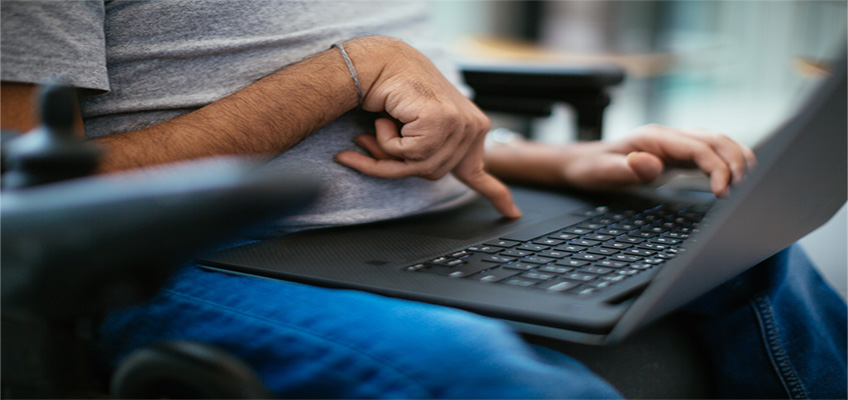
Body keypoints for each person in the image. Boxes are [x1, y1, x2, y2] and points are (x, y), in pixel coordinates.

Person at [2, 1, 844, 398]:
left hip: (444, 223)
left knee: (747, 250)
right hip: (183, 258)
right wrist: (345, 69)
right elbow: (31, 192)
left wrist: (563, 162)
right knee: (496, 382)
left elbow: (428, 115)